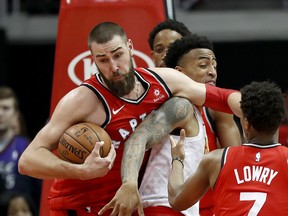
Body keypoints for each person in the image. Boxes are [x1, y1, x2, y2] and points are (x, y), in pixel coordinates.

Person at [18, 21, 240, 215]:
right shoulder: (82, 100)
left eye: (117, 55)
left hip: (123, 204)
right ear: (93, 60)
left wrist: (259, 108)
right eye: (103, 60)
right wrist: (81, 171)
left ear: (130, 48)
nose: (113, 67)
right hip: (77, 205)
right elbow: (28, 160)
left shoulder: (163, 82)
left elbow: (222, 97)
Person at [168, 81, 288, 215]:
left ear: (246, 123)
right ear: (280, 120)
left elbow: (176, 200)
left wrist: (177, 159)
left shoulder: (216, 160)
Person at [163, 35, 241, 215]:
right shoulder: (169, 107)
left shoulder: (217, 109)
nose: (212, 71)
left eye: (214, 65)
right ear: (179, 72)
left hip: (209, 208)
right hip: (168, 206)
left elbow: (236, 165)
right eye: (203, 66)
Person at [0, 86, 42, 214]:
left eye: (5, 108)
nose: (0, 113)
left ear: (15, 114)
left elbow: (39, 193)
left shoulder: (27, 148)